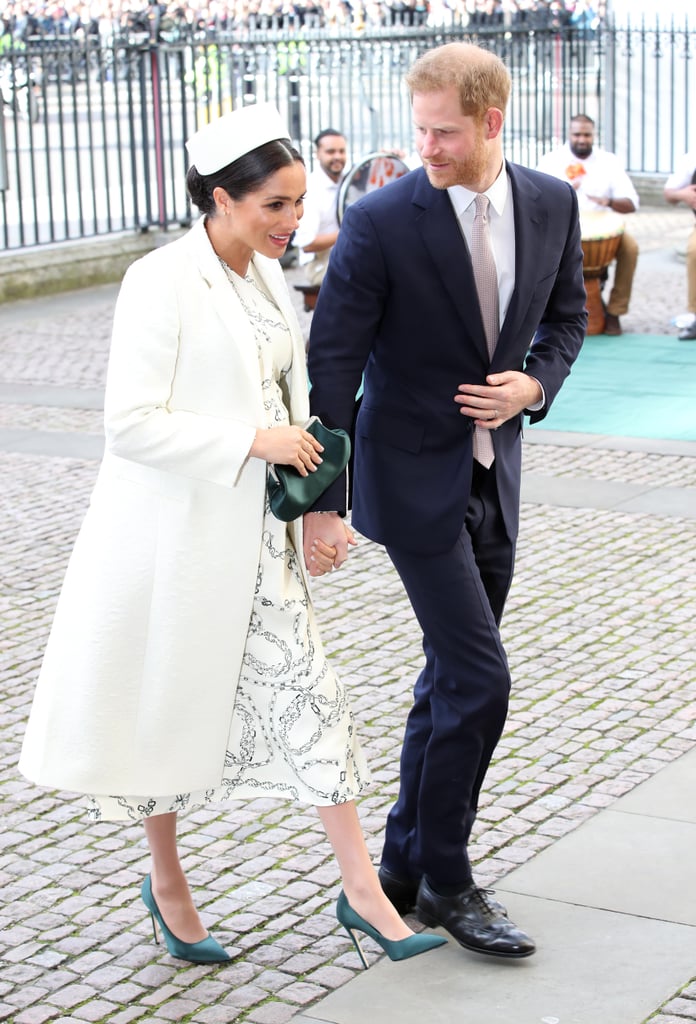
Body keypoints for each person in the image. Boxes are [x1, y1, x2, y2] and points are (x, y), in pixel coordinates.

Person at [18, 102, 446, 970]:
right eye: (275, 206)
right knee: (162, 714)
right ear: (220, 198)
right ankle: (168, 885)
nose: (295, 222)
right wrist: (251, 441)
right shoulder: (159, 280)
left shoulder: (263, 275)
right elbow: (130, 425)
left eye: (296, 204)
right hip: (171, 546)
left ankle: (364, 895)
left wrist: (319, 511)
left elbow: (292, 409)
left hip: (259, 543)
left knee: (313, 699)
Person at [304, 42, 586, 960]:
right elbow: (333, 362)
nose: (424, 145)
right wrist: (323, 499)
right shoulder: (382, 219)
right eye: (418, 127)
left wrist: (531, 390)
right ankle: (450, 882)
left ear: (492, 121)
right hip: (408, 475)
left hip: (492, 473)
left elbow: (567, 322)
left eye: (443, 131)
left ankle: (399, 865)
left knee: (447, 681)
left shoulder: (551, 201)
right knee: (478, 676)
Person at [536, 113, 639, 336]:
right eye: (577, 134)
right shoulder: (551, 161)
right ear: (569, 134)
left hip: (604, 230)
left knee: (630, 249)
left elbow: (632, 203)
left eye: (587, 135)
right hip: (562, 229)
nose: (582, 139)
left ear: (594, 135)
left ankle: (614, 312)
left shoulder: (608, 161)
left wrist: (609, 201)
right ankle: (546, 313)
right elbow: (534, 201)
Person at [293, 127, 348, 287]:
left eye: (341, 151)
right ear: (318, 154)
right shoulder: (309, 189)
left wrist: (389, 158)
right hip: (321, 264)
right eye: (330, 152)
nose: (337, 156)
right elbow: (307, 244)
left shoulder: (351, 180)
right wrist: (350, 232)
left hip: (349, 257)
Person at [663, 149, 696, 341]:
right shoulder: (691, 158)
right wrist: (683, 194)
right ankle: (695, 315)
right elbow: (669, 194)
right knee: (694, 250)